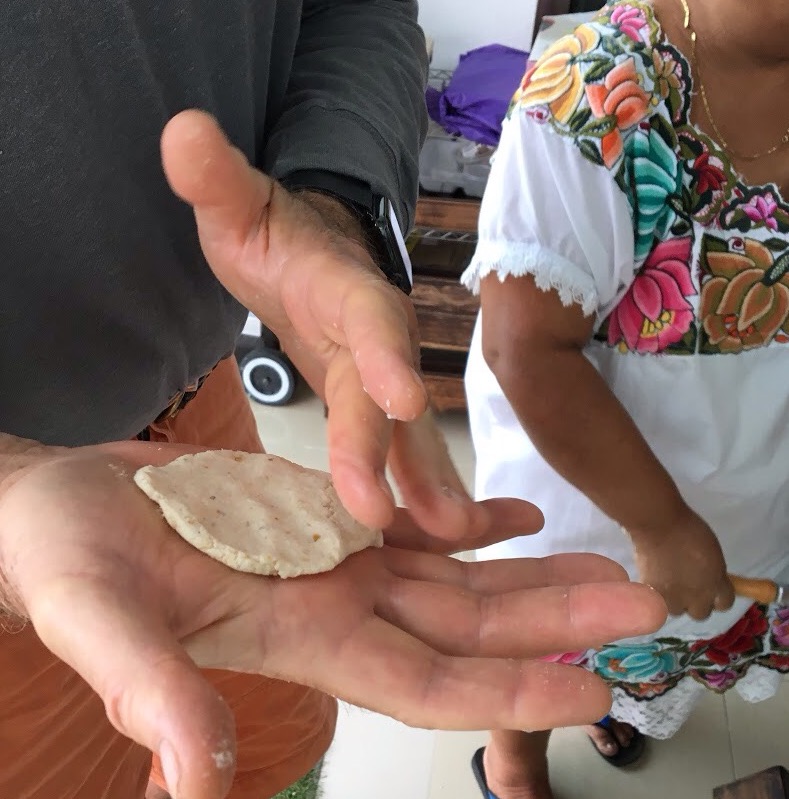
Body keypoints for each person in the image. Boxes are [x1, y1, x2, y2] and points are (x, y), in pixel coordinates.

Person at [0, 3, 668, 799]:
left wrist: (333, 207)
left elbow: (358, 10)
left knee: (278, 745)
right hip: (34, 528)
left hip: (191, 437)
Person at [463, 0, 789, 796]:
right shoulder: (596, 86)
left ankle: (620, 697)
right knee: (554, 638)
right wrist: (662, 522)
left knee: (678, 633)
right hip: (594, 498)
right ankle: (513, 760)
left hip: (748, 480)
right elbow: (528, 347)